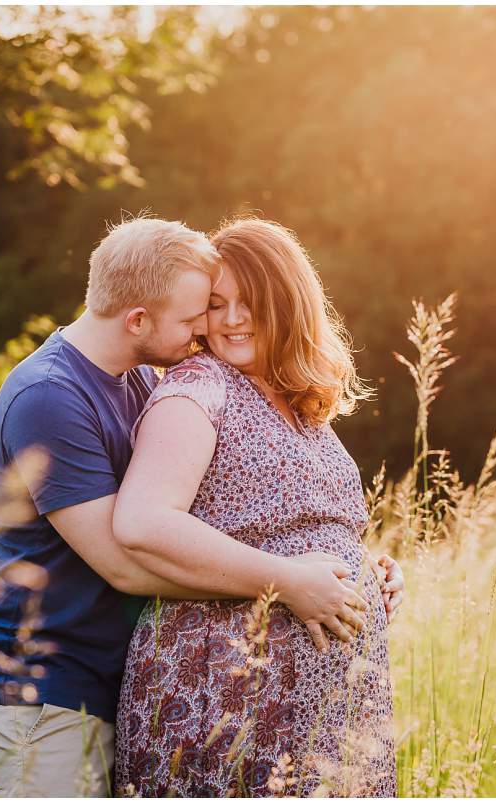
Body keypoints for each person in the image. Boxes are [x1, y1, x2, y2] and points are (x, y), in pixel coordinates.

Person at [0, 216, 404, 797]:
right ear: (139, 320)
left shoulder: (138, 379)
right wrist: (291, 583)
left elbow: (228, 509)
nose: (210, 327)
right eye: (200, 310)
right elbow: (127, 560)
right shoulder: (49, 397)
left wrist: (354, 577)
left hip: (106, 674)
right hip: (47, 689)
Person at [114, 218, 397, 797]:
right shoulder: (198, 387)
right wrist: (289, 579)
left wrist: (370, 571)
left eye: (251, 302)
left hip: (329, 708)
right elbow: (142, 520)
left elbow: (297, 524)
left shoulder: (304, 405)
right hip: (225, 697)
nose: (233, 319)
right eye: (217, 305)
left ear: (290, 304)